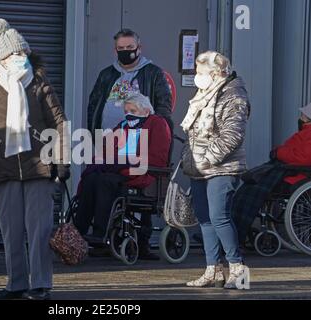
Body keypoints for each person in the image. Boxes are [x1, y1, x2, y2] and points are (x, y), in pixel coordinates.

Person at [0, 19, 69, 300]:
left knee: (39, 230)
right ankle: (16, 283)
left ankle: (40, 284)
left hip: (39, 166)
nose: (21, 58)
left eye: (24, 53)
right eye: (14, 54)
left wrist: (62, 160)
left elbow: (59, 123)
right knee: (10, 231)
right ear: (1, 58)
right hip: (3, 166)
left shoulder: (38, 80)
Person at [87, 28, 173, 259]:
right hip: (110, 139)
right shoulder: (107, 74)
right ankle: (100, 237)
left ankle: (141, 243)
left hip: (140, 140)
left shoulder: (152, 73)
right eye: (121, 49)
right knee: (96, 181)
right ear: (115, 50)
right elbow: (94, 104)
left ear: (139, 48)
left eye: (130, 48)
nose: (126, 52)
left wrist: (156, 128)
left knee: (136, 194)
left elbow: (163, 105)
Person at [181, 51, 250, 290]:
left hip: (221, 167)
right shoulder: (205, 93)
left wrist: (208, 158)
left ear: (216, 73)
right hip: (199, 167)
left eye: (200, 72)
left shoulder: (234, 94)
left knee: (220, 217)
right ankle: (213, 270)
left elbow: (233, 135)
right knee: (205, 218)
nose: (197, 77)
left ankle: (238, 269)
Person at [75, 93, 171, 243]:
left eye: (133, 111)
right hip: (120, 170)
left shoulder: (157, 124)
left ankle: (100, 234)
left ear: (146, 111)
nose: (129, 115)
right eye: (126, 111)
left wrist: (123, 165)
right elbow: (106, 150)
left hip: (142, 173)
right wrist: (101, 163)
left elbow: (157, 158)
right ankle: (77, 232)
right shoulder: (122, 126)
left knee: (105, 181)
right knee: (91, 178)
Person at [232, 103, 311, 245]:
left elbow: (303, 158)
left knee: (253, 188)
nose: (300, 117)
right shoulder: (304, 132)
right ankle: (235, 231)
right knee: (249, 186)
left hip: (296, 174)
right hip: (289, 169)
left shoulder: (308, 133)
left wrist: (279, 152)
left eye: (303, 115)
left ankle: (237, 233)